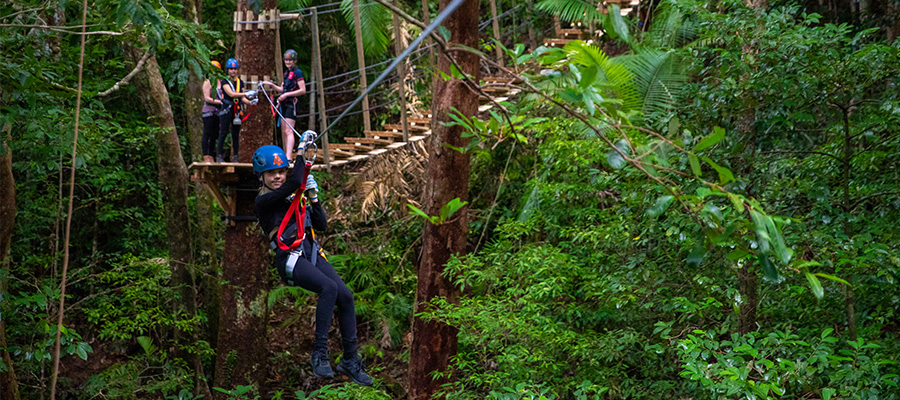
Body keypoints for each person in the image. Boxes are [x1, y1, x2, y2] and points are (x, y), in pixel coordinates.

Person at [252, 145, 373, 386]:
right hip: (290, 258)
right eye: (271, 173)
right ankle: (319, 354)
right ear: (261, 176)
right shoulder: (264, 201)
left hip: (311, 252)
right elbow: (296, 178)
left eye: (280, 171)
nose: (277, 176)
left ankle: (350, 360)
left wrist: (314, 197)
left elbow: (321, 224)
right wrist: (300, 151)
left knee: (346, 296)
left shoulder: (293, 194)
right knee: (328, 288)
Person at [261, 49, 306, 159]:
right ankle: (287, 154)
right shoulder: (286, 73)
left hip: (292, 103)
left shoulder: (297, 72)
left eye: (290, 60)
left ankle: (289, 156)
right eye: (286, 60)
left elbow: (302, 90)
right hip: (284, 103)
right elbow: (282, 89)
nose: (288, 62)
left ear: (294, 61)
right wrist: (271, 85)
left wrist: (287, 95)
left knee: (289, 130)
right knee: (285, 130)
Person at [218, 58, 256, 162]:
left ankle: (235, 157)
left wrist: (250, 102)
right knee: (223, 132)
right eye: (231, 69)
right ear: (228, 70)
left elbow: (242, 99)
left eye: (234, 69)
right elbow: (231, 94)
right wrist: (246, 94)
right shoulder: (225, 81)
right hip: (227, 109)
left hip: (237, 110)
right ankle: (219, 155)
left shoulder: (240, 83)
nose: (233, 71)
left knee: (235, 134)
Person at [201, 60, 224, 163]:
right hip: (209, 111)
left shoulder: (222, 82)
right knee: (207, 133)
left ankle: (211, 154)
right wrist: (219, 101)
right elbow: (207, 98)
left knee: (215, 134)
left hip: (219, 112)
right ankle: (206, 156)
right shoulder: (207, 82)